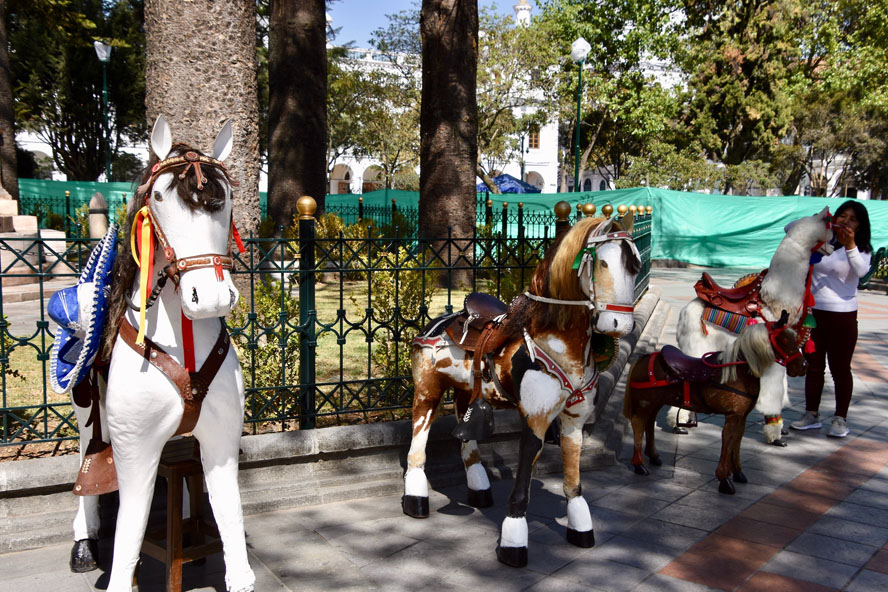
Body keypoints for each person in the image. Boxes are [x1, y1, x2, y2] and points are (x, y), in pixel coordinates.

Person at [791, 200, 873, 437]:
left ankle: (840, 419)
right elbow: (789, 228)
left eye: (852, 219)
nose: (845, 221)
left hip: (843, 317)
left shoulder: (862, 249)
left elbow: (860, 272)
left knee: (840, 369)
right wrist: (818, 220)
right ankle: (811, 414)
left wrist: (850, 245)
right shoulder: (821, 242)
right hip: (814, 315)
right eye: (842, 216)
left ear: (860, 225)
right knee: (814, 367)